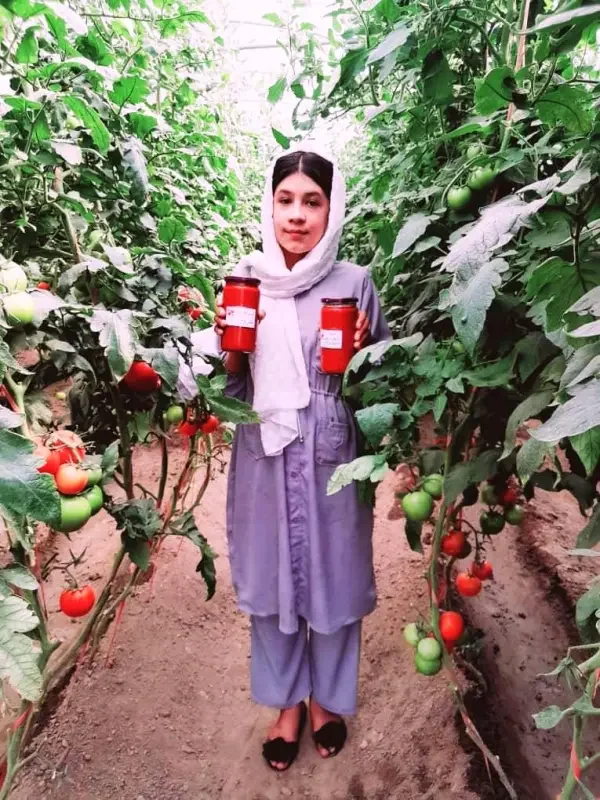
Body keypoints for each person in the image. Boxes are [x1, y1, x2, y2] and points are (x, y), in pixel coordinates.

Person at [214, 143, 390, 771]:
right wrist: (231, 345)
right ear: (269, 205)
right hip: (265, 447)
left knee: (335, 577)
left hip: (333, 452)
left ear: (331, 209)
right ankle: (287, 705)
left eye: (311, 202)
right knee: (272, 580)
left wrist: (367, 351)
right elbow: (231, 388)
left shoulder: (354, 283)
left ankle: (326, 703)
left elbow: (379, 388)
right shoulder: (246, 278)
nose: (296, 215)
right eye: (285, 199)